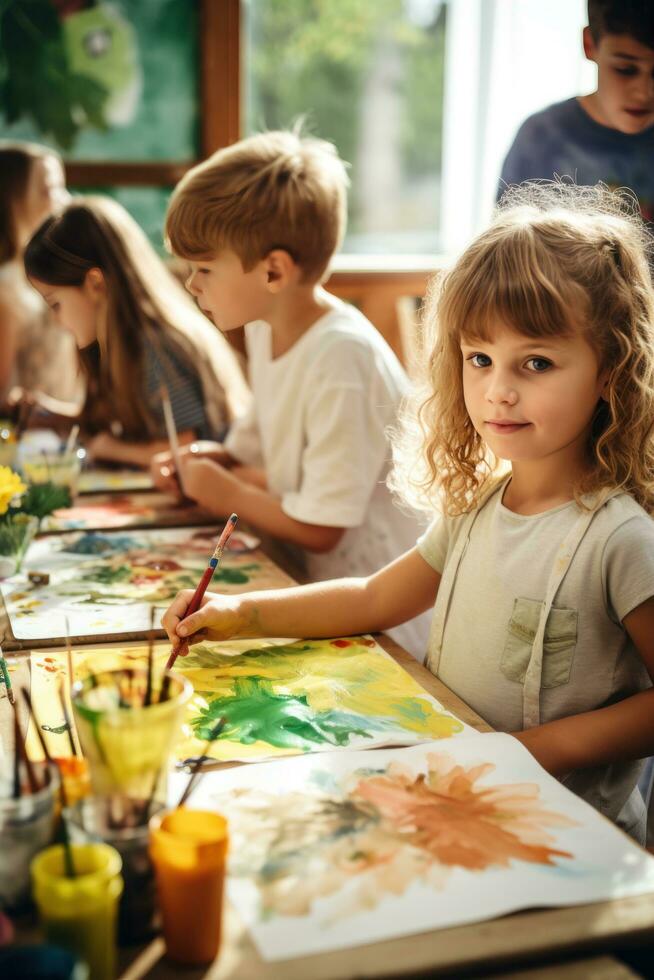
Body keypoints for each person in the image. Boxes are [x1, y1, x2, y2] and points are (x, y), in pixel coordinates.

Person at [163, 181, 654, 842]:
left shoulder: (621, 538)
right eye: (479, 359)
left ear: (610, 372)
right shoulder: (482, 505)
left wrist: (534, 749)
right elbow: (371, 598)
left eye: (536, 363)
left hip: (564, 832)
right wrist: (238, 616)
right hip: (456, 799)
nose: (498, 391)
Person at [152, 129, 430, 656]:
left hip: (381, 618)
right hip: (312, 589)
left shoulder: (340, 356)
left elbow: (322, 527)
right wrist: (214, 461)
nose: (191, 284)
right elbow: (259, 452)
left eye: (204, 268)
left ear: (274, 270)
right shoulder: (264, 327)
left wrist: (226, 492)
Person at [24, 196, 249, 467]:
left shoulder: (156, 346)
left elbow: (185, 447)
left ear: (95, 283)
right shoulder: (116, 343)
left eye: (55, 304)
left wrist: (109, 448)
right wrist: (53, 415)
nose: (57, 321)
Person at [498, 1, 654, 222]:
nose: (645, 92)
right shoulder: (541, 140)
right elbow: (505, 251)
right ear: (589, 44)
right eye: (625, 70)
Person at [0, 141, 81, 406]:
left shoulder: (54, 274)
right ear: (13, 198)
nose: (65, 200)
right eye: (51, 189)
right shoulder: (8, 290)